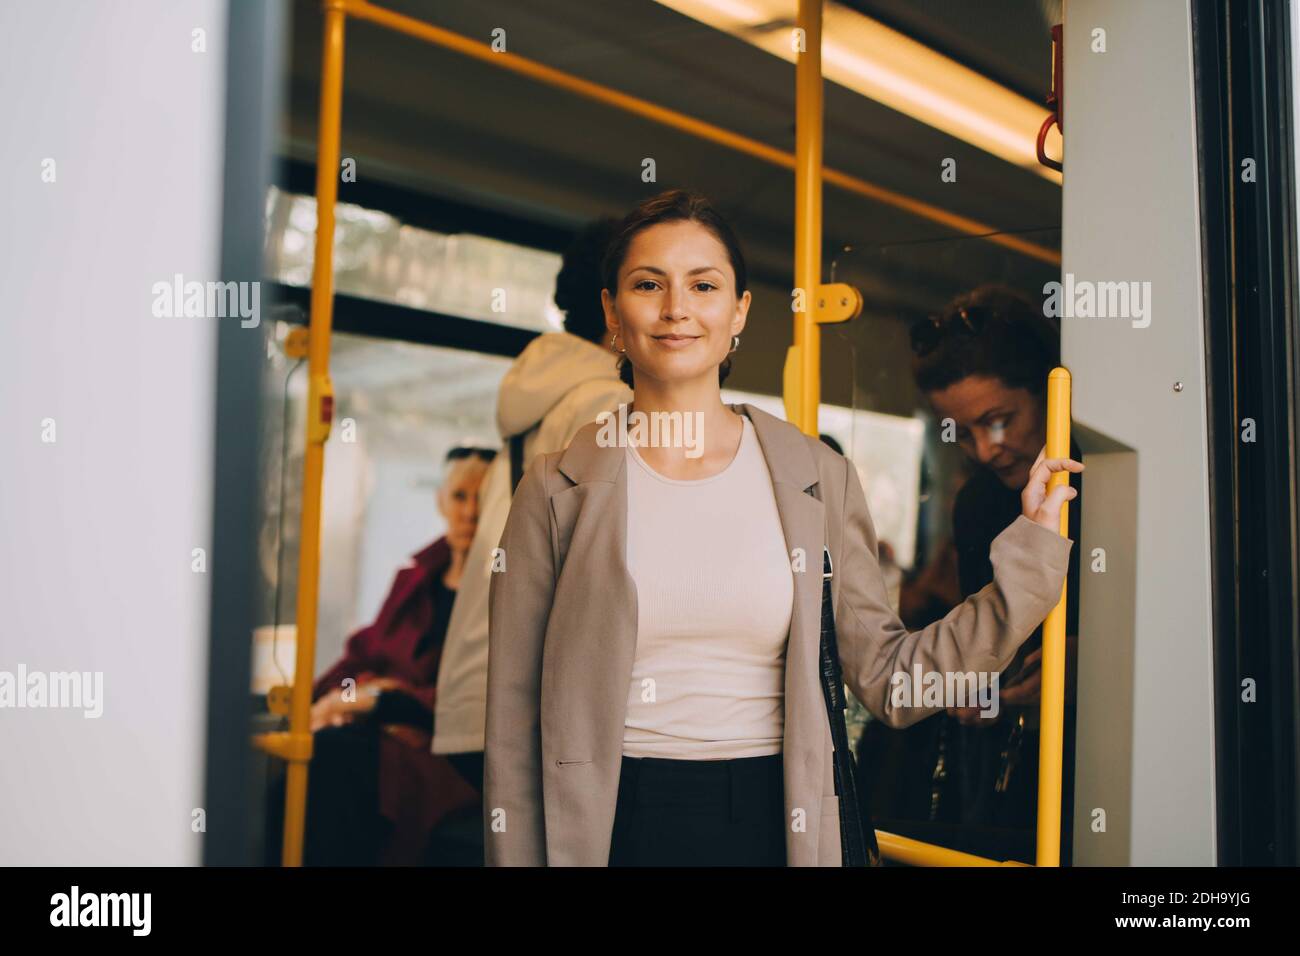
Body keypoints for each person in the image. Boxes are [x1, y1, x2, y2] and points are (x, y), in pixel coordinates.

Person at [482, 189, 1083, 867]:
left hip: (777, 823)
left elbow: (890, 680)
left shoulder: (815, 477)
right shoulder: (554, 489)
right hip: (611, 826)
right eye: (648, 284)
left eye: (703, 285)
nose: (676, 307)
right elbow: (512, 723)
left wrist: (1031, 552)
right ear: (612, 316)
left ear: (738, 313)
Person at [427, 219, 633, 859]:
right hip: (536, 695)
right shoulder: (605, 401)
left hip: (475, 684)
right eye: (649, 285)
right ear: (613, 306)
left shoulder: (538, 398)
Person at [871, 283, 1083, 864]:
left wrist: (1086, 667)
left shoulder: (1116, 480)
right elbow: (982, 629)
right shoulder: (978, 504)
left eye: (998, 420)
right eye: (962, 432)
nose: (985, 450)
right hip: (1011, 773)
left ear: (1051, 392)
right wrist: (977, 684)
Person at [264, 446, 494, 866]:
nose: (470, 512)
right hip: (379, 730)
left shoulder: (499, 591)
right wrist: (330, 699)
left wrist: (384, 702)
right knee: (299, 761)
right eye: (461, 496)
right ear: (441, 500)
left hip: (439, 750)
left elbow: (475, 692)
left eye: (483, 499)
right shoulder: (414, 579)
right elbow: (364, 652)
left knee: (333, 763)